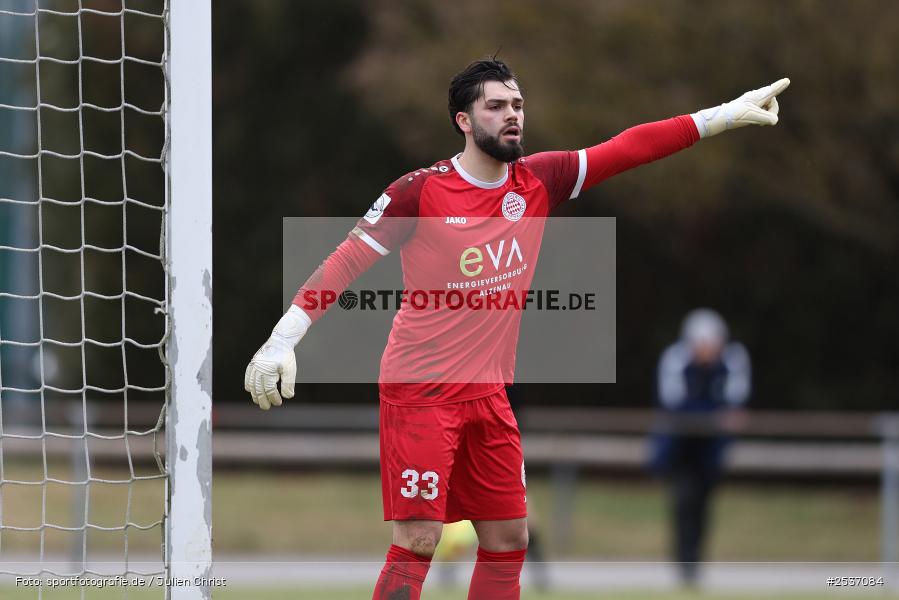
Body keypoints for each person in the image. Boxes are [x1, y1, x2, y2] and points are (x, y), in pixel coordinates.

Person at [244, 58, 785, 600]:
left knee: (508, 538)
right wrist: (283, 337)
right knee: (420, 538)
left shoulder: (538, 181)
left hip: (489, 392)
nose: (512, 116)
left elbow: (627, 148)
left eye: (518, 105)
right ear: (463, 120)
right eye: (496, 106)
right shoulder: (419, 192)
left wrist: (720, 118)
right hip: (421, 390)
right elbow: (345, 261)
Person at [650, 308, 751, 587]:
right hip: (680, 448)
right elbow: (674, 404)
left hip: (710, 451)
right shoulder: (677, 360)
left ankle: (695, 564)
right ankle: (684, 564)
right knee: (683, 502)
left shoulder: (731, 361)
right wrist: (714, 415)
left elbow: (735, 404)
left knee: (703, 506)